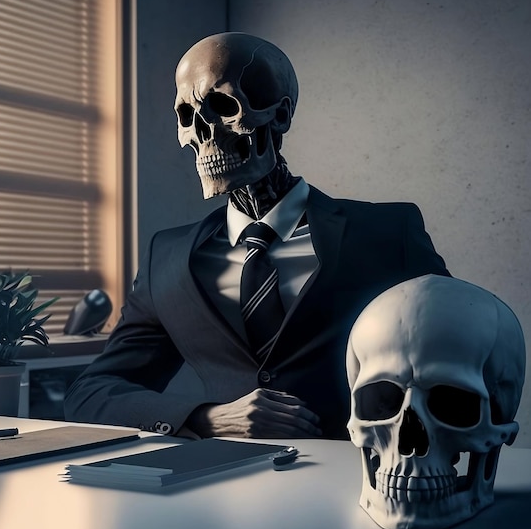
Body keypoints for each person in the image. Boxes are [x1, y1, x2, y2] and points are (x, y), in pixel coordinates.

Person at [64, 32, 450, 440]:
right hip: (216, 482)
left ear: (279, 116)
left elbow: (458, 353)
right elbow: (90, 394)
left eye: (224, 109)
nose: (204, 133)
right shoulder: (168, 257)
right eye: (187, 116)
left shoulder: (388, 233)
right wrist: (206, 417)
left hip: (361, 478)